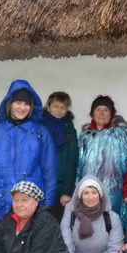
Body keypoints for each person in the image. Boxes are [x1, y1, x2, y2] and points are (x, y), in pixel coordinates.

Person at [0, 80, 58, 234]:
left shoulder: (40, 133)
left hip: (30, 208)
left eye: (27, 104)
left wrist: (48, 203)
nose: (22, 108)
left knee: (30, 247)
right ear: (9, 103)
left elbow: (49, 170)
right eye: (18, 103)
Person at [75, 95, 127, 231]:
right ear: (92, 113)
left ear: (111, 114)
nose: (101, 113)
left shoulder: (121, 135)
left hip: (114, 193)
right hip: (89, 193)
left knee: (113, 227)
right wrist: (77, 190)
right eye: (98, 110)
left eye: (105, 110)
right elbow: (77, 166)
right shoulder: (85, 136)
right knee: (91, 228)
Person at [42, 91, 79, 220]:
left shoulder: (69, 129)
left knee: (55, 224)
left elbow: (72, 161)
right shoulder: (38, 126)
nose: (59, 111)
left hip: (59, 187)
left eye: (63, 107)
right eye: (55, 106)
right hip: (38, 185)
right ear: (48, 106)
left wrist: (67, 191)